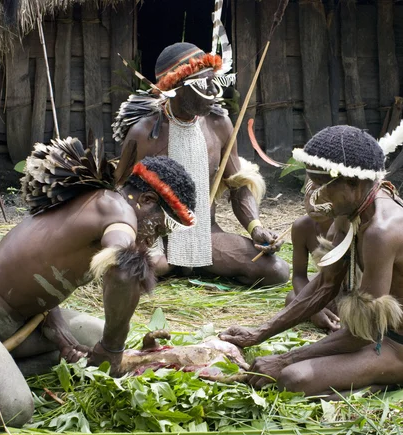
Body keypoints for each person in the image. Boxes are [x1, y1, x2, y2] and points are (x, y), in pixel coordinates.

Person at [0, 137, 198, 428]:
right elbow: (124, 270)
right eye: (161, 226)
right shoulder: (116, 210)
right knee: (12, 411)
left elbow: (40, 266)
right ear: (147, 200)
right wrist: (111, 350)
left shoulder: (101, 202)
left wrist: (58, 326)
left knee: (99, 336)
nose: (155, 237)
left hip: (28, 322)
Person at [220, 125, 403, 397]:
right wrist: (258, 334)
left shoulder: (382, 232)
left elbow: (362, 332)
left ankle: (380, 383)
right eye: (312, 184)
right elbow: (325, 284)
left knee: (292, 378)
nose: (315, 196)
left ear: (354, 183)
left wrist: (286, 359)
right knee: (292, 341)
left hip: (401, 349)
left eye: (322, 187)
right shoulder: (350, 209)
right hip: (373, 336)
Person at [112, 42, 289, 286]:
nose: (213, 91)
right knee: (131, 270)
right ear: (176, 88)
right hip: (156, 236)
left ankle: (193, 265)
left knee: (277, 271)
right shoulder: (144, 134)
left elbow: (238, 187)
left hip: (206, 234)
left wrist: (256, 228)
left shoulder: (219, 124)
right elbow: (118, 195)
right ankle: (168, 265)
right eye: (202, 84)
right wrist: (140, 235)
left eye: (212, 80)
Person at [287, 214, 340, 333]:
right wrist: (312, 310)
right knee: (292, 299)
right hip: (329, 279)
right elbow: (299, 276)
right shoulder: (302, 226)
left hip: (357, 282)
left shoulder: (354, 221)